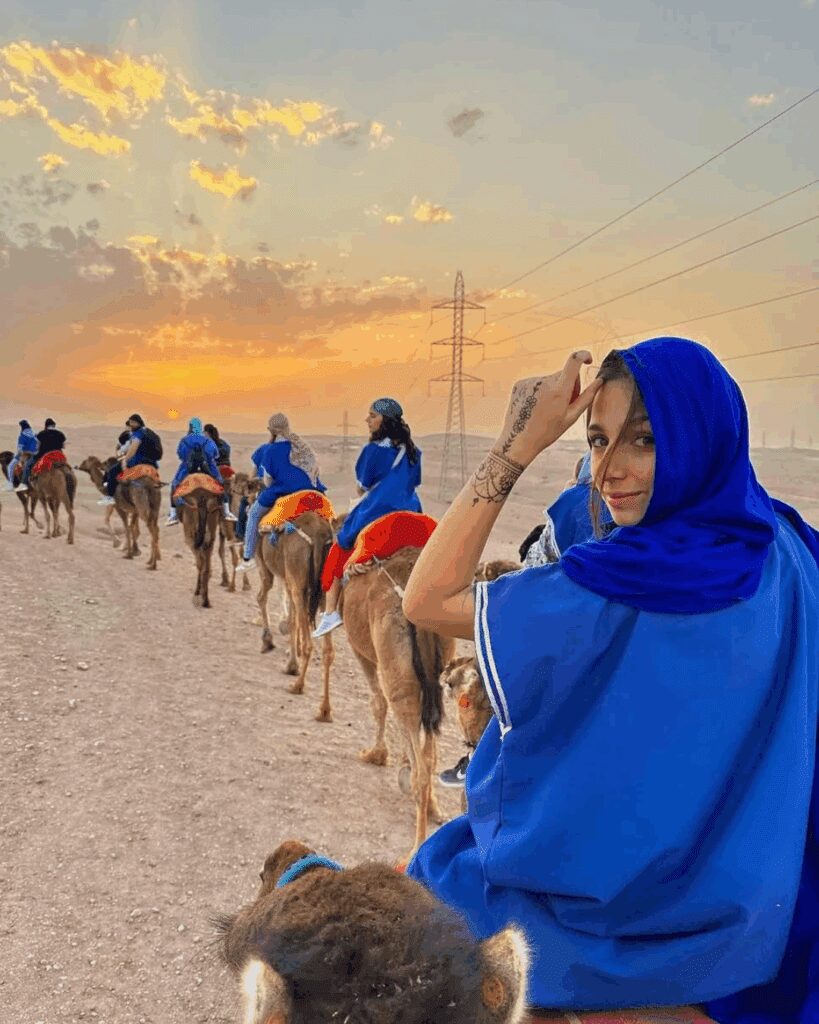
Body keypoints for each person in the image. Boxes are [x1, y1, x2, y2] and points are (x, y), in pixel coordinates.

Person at [401, 339, 818, 1018]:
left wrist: (516, 443)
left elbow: (422, 600)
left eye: (644, 441)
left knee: (435, 881)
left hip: (632, 921)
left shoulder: (609, 585)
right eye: (597, 442)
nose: (607, 472)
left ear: (695, 438)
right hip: (760, 909)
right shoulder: (790, 545)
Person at [312, 397, 421, 638]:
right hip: (411, 512)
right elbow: (414, 483)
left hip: (377, 511)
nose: (367, 420)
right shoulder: (414, 453)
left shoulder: (372, 451)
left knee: (338, 549)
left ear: (385, 420)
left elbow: (362, 486)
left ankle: (330, 612)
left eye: (372, 416)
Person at [235, 413, 325, 571]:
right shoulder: (302, 445)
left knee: (254, 513)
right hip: (312, 492)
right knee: (328, 519)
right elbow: (315, 470)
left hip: (284, 491)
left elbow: (268, 481)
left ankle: (248, 558)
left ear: (272, 431)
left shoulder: (270, 450)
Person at [166, 417, 236, 526]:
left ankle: (173, 514)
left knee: (175, 485)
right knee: (221, 484)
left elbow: (180, 454)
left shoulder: (184, 440)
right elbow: (215, 454)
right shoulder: (208, 440)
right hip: (208, 467)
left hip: (187, 468)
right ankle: (227, 512)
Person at [17, 418, 66, 491]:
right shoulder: (61, 434)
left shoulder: (41, 434)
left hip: (44, 456)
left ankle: (23, 484)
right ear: (54, 425)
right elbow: (63, 446)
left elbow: (37, 447)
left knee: (27, 465)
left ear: (46, 426)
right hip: (58, 457)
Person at [97, 430, 133, 506]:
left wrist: (118, 450)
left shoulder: (128, 439)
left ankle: (110, 496)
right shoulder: (138, 435)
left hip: (130, 462)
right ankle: (106, 486)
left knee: (111, 471)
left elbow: (121, 453)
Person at [5, 419, 38, 491]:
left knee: (10, 466)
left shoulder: (22, 435)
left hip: (25, 454)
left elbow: (20, 449)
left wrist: (17, 455)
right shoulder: (35, 434)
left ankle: (10, 484)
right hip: (35, 455)